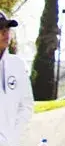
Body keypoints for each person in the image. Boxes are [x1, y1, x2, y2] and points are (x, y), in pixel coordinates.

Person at [0, 9, 30, 146]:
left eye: (7, 29)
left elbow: (26, 105)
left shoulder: (17, 65)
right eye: (0, 29)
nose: (5, 33)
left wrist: (12, 139)